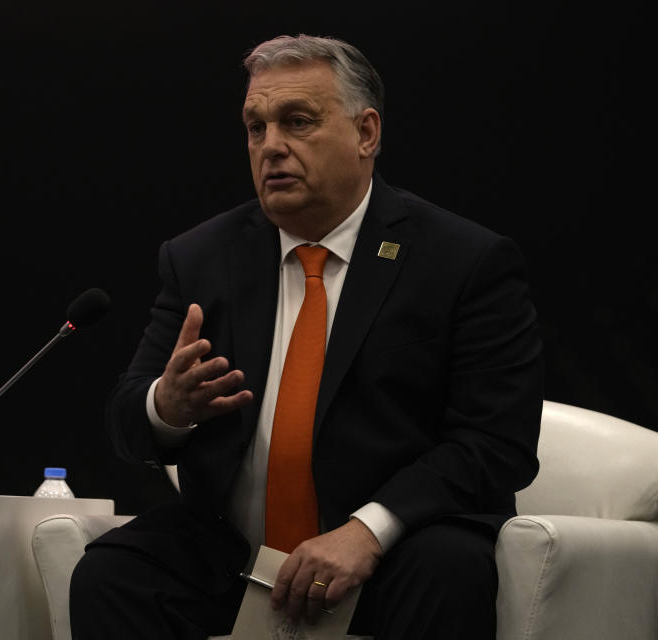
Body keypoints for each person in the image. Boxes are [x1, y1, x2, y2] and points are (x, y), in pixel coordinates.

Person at [71, 34, 543, 639]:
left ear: (366, 133)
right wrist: (166, 407)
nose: (271, 147)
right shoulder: (201, 258)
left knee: (449, 568)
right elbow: (129, 423)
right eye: (255, 127)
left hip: (397, 547)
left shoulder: (462, 261)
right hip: (235, 553)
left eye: (296, 122)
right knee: (112, 576)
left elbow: (495, 442)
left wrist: (367, 532)